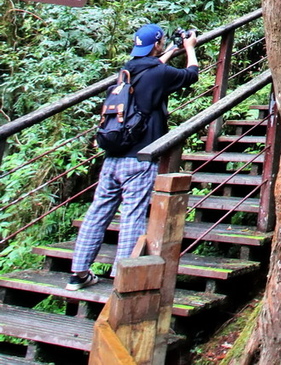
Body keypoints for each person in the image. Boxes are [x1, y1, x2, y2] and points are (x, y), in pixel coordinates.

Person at [66, 23, 199, 290]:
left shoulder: (126, 72)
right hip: (139, 158)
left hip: (113, 156)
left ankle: (78, 273)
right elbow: (190, 75)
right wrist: (189, 49)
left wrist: (171, 50)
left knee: (98, 212)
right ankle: (123, 279)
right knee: (133, 215)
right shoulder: (159, 74)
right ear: (157, 44)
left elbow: (153, 68)